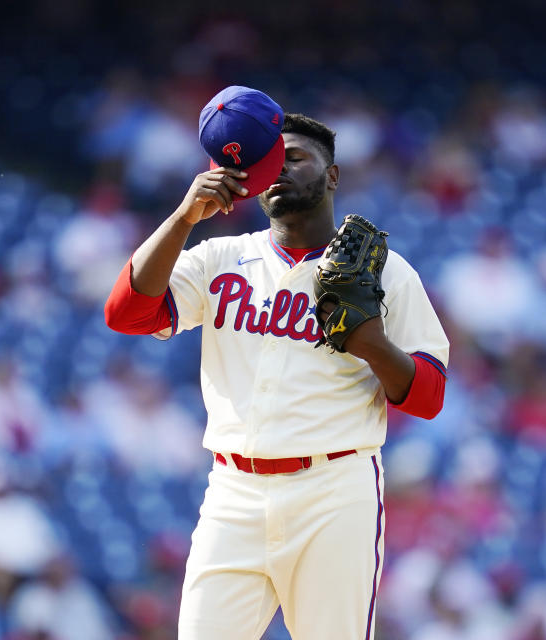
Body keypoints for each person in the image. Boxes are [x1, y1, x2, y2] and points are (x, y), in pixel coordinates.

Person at [104, 99, 449, 640]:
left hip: (333, 491)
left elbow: (430, 396)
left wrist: (373, 346)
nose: (279, 168)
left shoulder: (387, 273)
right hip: (232, 491)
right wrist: (182, 219)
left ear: (332, 175)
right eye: (267, 161)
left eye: (294, 157)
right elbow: (126, 314)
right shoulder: (219, 257)